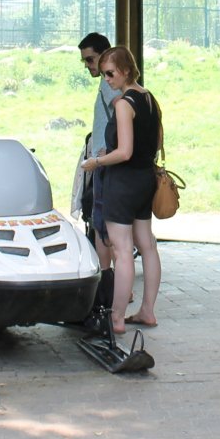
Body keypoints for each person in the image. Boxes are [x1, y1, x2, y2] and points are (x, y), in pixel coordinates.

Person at [80, 46, 163, 334]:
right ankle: (147, 311)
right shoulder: (149, 98)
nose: (106, 79)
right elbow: (158, 141)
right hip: (145, 179)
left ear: (125, 70)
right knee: (148, 245)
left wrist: (96, 161)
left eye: (110, 73)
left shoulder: (124, 103)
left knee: (122, 249)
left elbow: (124, 152)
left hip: (123, 181)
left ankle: (116, 318)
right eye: (104, 74)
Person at [76, 32, 122, 275]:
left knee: (103, 227)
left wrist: (108, 151)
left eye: (90, 59)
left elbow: (122, 114)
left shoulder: (109, 86)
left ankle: (108, 279)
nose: (87, 65)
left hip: (106, 161)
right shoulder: (111, 85)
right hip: (107, 159)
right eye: (84, 61)